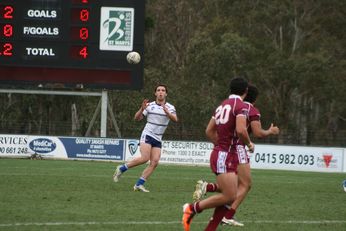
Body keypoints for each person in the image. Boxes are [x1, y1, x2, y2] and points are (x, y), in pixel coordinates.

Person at [192, 84, 280, 227]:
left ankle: (209, 188)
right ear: (253, 97)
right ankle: (227, 215)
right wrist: (270, 131)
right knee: (245, 185)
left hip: (227, 147)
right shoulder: (250, 109)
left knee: (235, 185)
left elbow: (210, 130)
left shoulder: (227, 105)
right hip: (237, 147)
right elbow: (257, 133)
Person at [182, 77, 255, 231]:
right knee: (229, 196)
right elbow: (242, 130)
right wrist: (248, 144)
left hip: (224, 153)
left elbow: (209, 131)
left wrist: (221, 145)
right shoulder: (240, 106)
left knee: (231, 194)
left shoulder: (222, 105)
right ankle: (193, 208)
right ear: (245, 91)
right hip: (225, 155)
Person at [113, 84, 178, 192]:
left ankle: (139, 184)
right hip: (148, 134)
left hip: (158, 138)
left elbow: (175, 119)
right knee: (144, 158)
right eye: (158, 90)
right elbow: (137, 118)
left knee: (155, 162)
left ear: (166, 93)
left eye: (163, 90)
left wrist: (167, 113)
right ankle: (122, 168)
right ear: (155, 93)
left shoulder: (170, 107)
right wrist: (141, 108)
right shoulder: (149, 105)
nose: (161, 92)